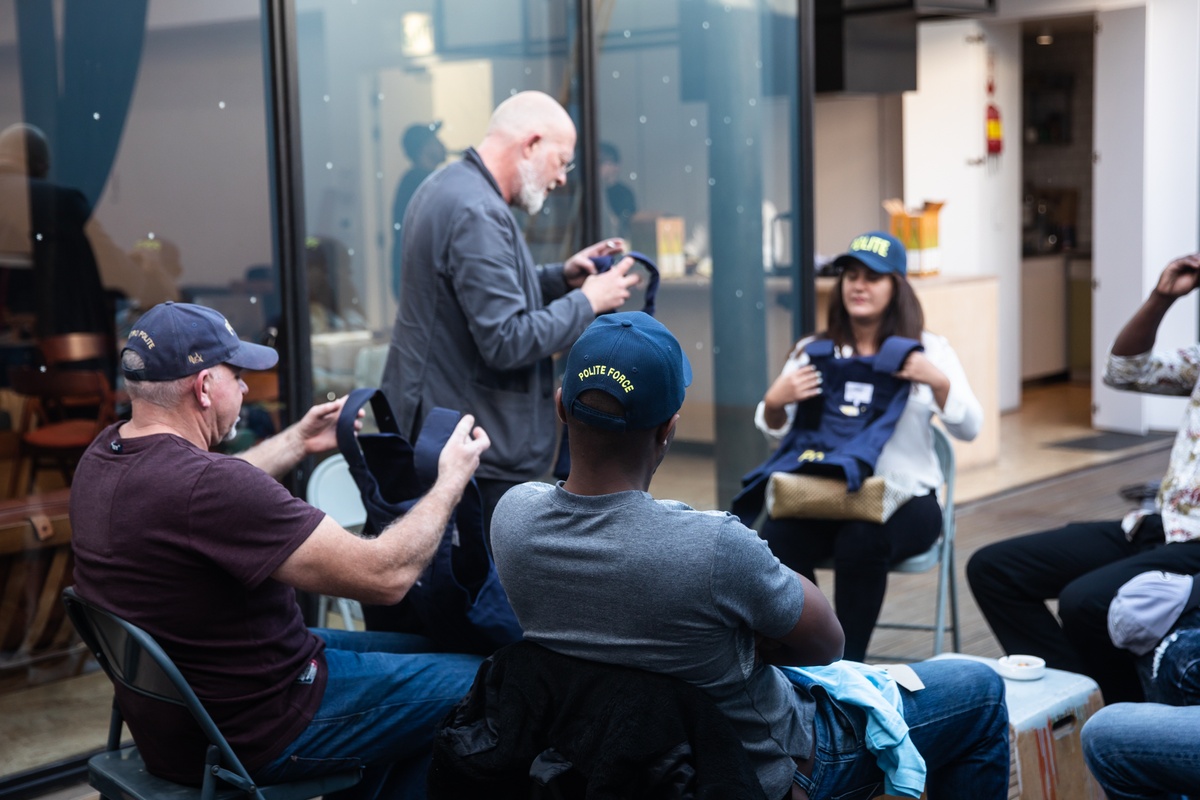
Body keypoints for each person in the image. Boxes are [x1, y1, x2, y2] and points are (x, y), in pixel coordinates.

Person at [490, 311, 1010, 800]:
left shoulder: (513, 517)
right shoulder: (712, 546)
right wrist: (745, 641)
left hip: (613, 761)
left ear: (561, 404)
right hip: (769, 768)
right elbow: (829, 643)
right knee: (981, 690)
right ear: (669, 428)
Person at [69, 301, 491, 799]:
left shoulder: (104, 457)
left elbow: (200, 499)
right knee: (487, 682)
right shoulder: (209, 486)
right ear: (204, 388)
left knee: (433, 653)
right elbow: (386, 576)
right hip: (268, 727)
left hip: (186, 726)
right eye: (238, 374)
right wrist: (449, 482)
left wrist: (295, 441)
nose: (246, 388)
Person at [381, 90, 638, 531]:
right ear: (531, 143)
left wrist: (562, 277)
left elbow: (476, 293)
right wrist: (588, 301)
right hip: (473, 450)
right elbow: (506, 338)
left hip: (444, 429)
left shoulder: (447, 186)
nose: (561, 180)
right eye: (562, 161)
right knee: (484, 597)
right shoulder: (479, 210)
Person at [968, 253, 1200, 704]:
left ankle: (1117, 719)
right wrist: (1161, 298)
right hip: (1158, 527)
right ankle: (1081, 704)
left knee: (1085, 602)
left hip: (1196, 547)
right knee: (994, 570)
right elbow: (1123, 371)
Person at [750, 231, 982, 661]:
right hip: (827, 496)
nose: (858, 285)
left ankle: (845, 666)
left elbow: (970, 428)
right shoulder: (813, 350)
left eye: (873, 277)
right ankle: (810, 649)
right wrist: (777, 401)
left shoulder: (928, 349)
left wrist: (938, 381)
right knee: (776, 535)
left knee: (861, 538)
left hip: (907, 499)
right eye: (851, 275)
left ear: (897, 286)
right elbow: (783, 437)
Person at [390, 122, 447, 300]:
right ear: (426, 147)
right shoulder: (422, 182)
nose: (442, 144)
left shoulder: (417, 181)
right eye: (435, 140)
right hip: (423, 282)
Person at [598, 141, 636, 240]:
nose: (599, 167)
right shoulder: (595, 192)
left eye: (603, 162)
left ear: (615, 166)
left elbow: (628, 223)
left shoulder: (624, 193)